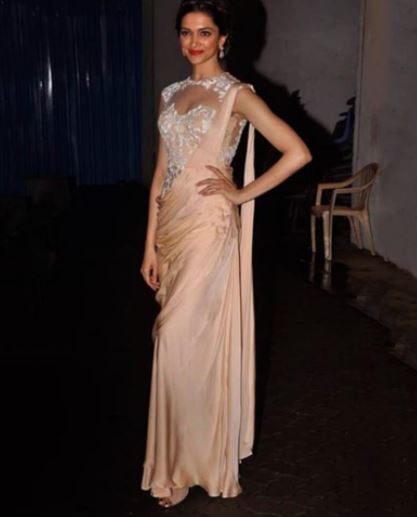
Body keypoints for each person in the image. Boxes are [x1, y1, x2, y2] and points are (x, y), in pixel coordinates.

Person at [140, 0, 312, 508]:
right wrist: (149, 244)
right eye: (186, 32)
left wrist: (240, 194)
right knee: (182, 347)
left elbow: (297, 152)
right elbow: (161, 173)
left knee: (176, 339)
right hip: (173, 228)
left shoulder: (236, 94)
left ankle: (189, 464)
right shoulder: (170, 94)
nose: (194, 42)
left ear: (222, 39)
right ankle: (179, 460)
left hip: (210, 228)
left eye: (205, 32)